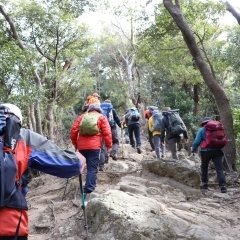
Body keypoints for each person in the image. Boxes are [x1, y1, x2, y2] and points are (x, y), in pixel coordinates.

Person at [0, 103, 86, 240]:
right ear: (19, 121)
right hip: (9, 225)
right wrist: (80, 158)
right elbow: (71, 165)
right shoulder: (25, 137)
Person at [70, 101, 112, 196]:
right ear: (99, 110)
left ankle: (81, 187)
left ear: (89, 109)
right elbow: (107, 133)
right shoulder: (101, 117)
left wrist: (75, 144)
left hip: (82, 147)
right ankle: (88, 190)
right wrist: (109, 146)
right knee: (92, 169)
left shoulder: (82, 117)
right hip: (94, 147)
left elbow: (73, 131)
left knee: (82, 167)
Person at [191, 117, 227, 193]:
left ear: (203, 123)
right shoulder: (217, 129)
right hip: (218, 151)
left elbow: (197, 141)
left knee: (204, 167)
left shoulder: (201, 129)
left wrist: (193, 149)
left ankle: (204, 184)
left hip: (206, 151)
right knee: (219, 168)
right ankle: (223, 186)